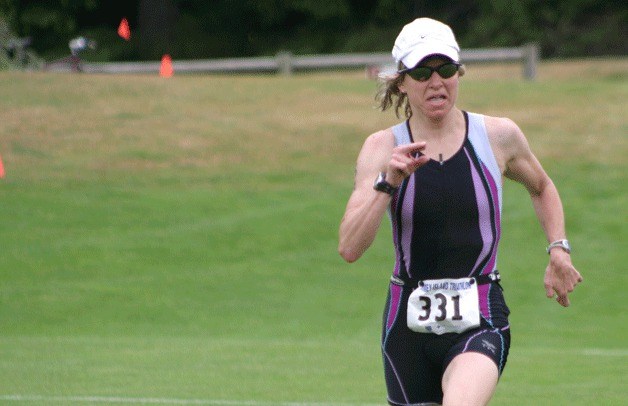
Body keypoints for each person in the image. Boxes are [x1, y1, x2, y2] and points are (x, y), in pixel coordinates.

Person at [338, 17, 582, 406]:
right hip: (406, 328)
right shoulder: (381, 149)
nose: (437, 82)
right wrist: (387, 183)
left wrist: (558, 247)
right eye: (422, 72)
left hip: (480, 316)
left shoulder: (497, 136)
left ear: (459, 72)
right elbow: (349, 247)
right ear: (402, 81)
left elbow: (543, 187)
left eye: (446, 69)